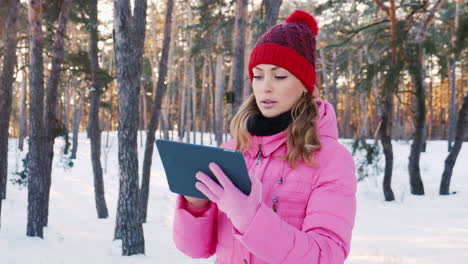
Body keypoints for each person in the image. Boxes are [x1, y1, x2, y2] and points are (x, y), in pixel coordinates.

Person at [172, 9, 356, 264]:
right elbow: (196, 250)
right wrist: (195, 205)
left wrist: (252, 220)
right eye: (258, 76)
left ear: (305, 84)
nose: (265, 86)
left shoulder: (330, 159)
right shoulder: (233, 148)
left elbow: (327, 255)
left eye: (280, 76)